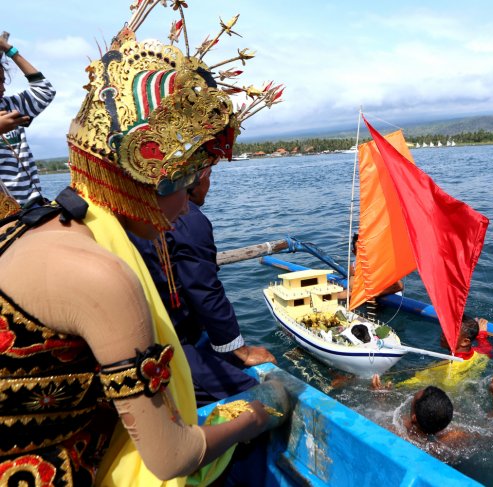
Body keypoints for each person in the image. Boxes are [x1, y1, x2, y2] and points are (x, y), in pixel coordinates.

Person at [0, 5, 289, 486]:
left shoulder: (33, 222)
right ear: (145, 180)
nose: (191, 199)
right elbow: (172, 457)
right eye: (189, 175)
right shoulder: (102, 274)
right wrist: (260, 415)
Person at [129, 166, 277, 406]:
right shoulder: (188, 219)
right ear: (197, 181)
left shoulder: (130, 215)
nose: (186, 207)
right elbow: (204, 291)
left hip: (153, 334)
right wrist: (241, 350)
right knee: (264, 399)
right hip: (169, 344)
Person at [0, 33, 55, 206]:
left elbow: (45, 91)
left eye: (2, 81)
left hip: (32, 207)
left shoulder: (9, 106)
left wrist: (9, 50)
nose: (2, 88)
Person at [395, 315, 493, 391]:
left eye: (450, 332)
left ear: (465, 342)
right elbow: (487, 348)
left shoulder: (444, 369)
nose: (443, 333)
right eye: (446, 329)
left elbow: (413, 382)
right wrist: (481, 334)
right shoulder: (480, 355)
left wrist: (386, 388)